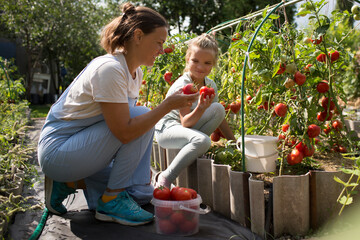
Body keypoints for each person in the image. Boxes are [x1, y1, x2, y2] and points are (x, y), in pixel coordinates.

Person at [37, 2, 199, 226]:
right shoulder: (110, 69)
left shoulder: (135, 72)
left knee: (140, 194)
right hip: (59, 151)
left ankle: (69, 183)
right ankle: (110, 199)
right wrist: (166, 105)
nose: (162, 50)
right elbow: (124, 132)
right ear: (138, 36)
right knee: (142, 115)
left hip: (81, 144)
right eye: (159, 43)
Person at [154, 33, 236, 189]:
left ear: (213, 64)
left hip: (185, 129)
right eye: (195, 61)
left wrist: (233, 141)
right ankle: (166, 176)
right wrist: (200, 108)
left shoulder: (209, 84)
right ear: (187, 59)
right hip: (168, 129)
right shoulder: (183, 86)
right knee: (203, 141)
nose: (200, 67)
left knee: (218, 108)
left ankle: (196, 150)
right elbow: (185, 122)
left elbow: (219, 117)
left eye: (207, 63)